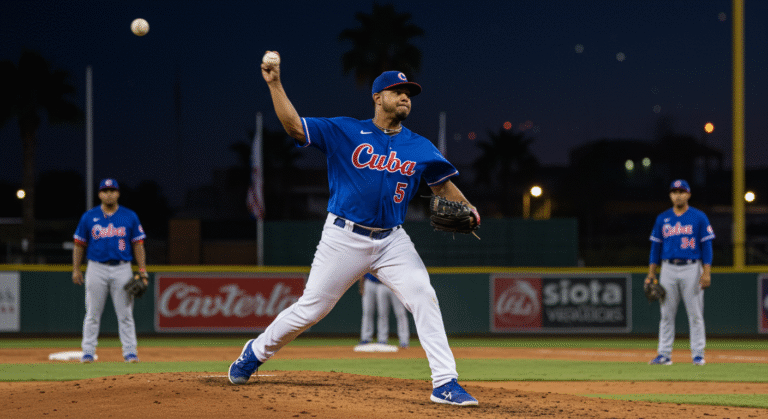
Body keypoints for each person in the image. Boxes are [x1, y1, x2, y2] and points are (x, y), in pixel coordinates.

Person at [228, 52, 480, 406]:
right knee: (310, 310)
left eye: (409, 92)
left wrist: (469, 208)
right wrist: (275, 83)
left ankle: (445, 382)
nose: (406, 96)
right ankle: (255, 352)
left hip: (393, 239)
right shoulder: (345, 130)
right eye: (398, 91)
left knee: (424, 295)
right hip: (344, 237)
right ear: (378, 97)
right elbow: (294, 126)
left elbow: (442, 185)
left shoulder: (420, 146)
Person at [72, 178, 147, 363]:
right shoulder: (89, 216)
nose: (109, 194)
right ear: (99, 194)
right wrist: (76, 269)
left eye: (112, 190)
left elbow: (138, 244)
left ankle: (130, 353)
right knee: (92, 314)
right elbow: (79, 245)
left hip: (122, 268)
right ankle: (88, 352)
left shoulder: (129, 216)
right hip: (96, 267)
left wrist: (142, 270)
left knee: (126, 315)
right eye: (105, 191)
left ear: (118, 193)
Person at [646, 179, 715, 366]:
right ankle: (664, 354)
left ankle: (698, 355)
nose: (678, 195)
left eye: (681, 191)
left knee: (695, 314)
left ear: (688, 194)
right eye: (674, 191)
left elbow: (707, 246)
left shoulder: (699, 217)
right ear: (670, 195)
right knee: (666, 314)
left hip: (692, 267)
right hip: (667, 268)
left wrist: (706, 272)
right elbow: (655, 248)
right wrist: (651, 273)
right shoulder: (662, 218)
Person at [358, 273, 410, 349]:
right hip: (380, 284)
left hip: (395, 284)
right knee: (381, 314)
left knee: (400, 313)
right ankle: (381, 339)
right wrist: (361, 284)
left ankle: (404, 340)